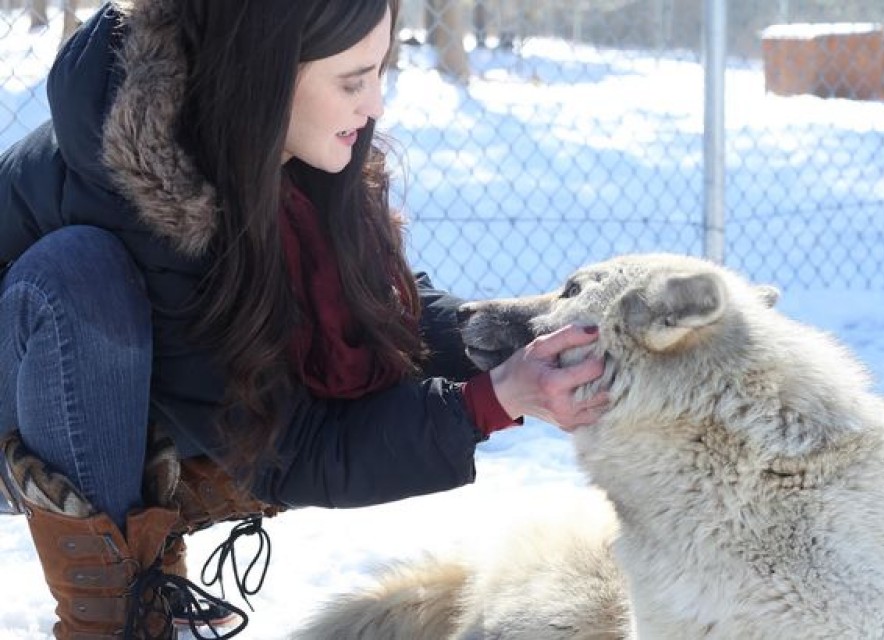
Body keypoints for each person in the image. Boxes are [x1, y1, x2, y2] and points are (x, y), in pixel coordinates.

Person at [0, 0, 609, 637]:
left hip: (140, 381)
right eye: (352, 81)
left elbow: (386, 310)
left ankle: (152, 538)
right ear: (266, 73)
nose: (374, 104)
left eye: (380, 72)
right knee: (78, 271)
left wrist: (512, 341)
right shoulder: (152, 181)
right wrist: (488, 401)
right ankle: (117, 615)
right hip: (24, 392)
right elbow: (291, 451)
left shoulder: (286, 146)